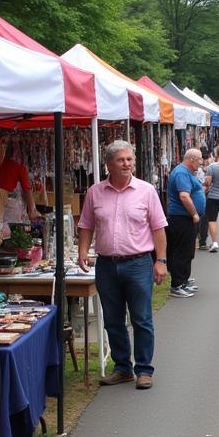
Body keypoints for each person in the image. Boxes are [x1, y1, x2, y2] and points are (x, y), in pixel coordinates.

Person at [76, 140, 168, 390]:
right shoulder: (95, 192)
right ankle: (122, 367)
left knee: (141, 318)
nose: (127, 164)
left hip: (138, 262)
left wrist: (160, 260)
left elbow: (158, 227)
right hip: (106, 264)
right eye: (121, 160)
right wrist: (83, 251)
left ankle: (144, 369)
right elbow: (86, 224)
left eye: (130, 159)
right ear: (108, 164)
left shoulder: (146, 191)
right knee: (113, 320)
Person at [166, 148, 205, 297]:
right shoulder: (181, 172)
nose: (201, 163)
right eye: (199, 160)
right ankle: (177, 285)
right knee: (182, 252)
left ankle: (183, 280)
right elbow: (184, 196)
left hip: (185, 217)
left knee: (187, 251)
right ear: (191, 159)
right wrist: (194, 213)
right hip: (181, 218)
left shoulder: (186, 172)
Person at [0, 152, 41, 224]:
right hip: (8, 206)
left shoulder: (1, 160)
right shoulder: (21, 168)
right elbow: (27, 191)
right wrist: (33, 210)